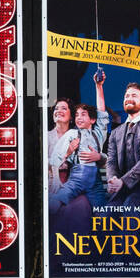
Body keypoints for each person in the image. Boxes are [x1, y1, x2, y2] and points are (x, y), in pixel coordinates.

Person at [49, 72, 109, 212]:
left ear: (93, 120)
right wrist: (66, 153)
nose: (79, 118)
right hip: (78, 176)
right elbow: (56, 156)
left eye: (83, 114)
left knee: (102, 211)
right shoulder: (72, 133)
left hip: (96, 180)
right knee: (60, 197)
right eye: (76, 115)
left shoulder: (99, 134)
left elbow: (102, 112)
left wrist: (98, 86)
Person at [103, 82, 140, 206]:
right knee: (106, 214)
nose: (128, 99)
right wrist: (112, 180)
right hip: (121, 188)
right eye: (126, 96)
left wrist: (123, 181)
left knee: (129, 207)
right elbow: (111, 161)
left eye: (134, 96)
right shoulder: (116, 132)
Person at [46, 98, 73, 194]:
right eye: (56, 109)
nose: (59, 111)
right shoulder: (46, 136)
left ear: (71, 117)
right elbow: (39, 162)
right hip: (50, 182)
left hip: (72, 183)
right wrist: (65, 154)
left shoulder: (76, 136)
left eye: (64, 108)